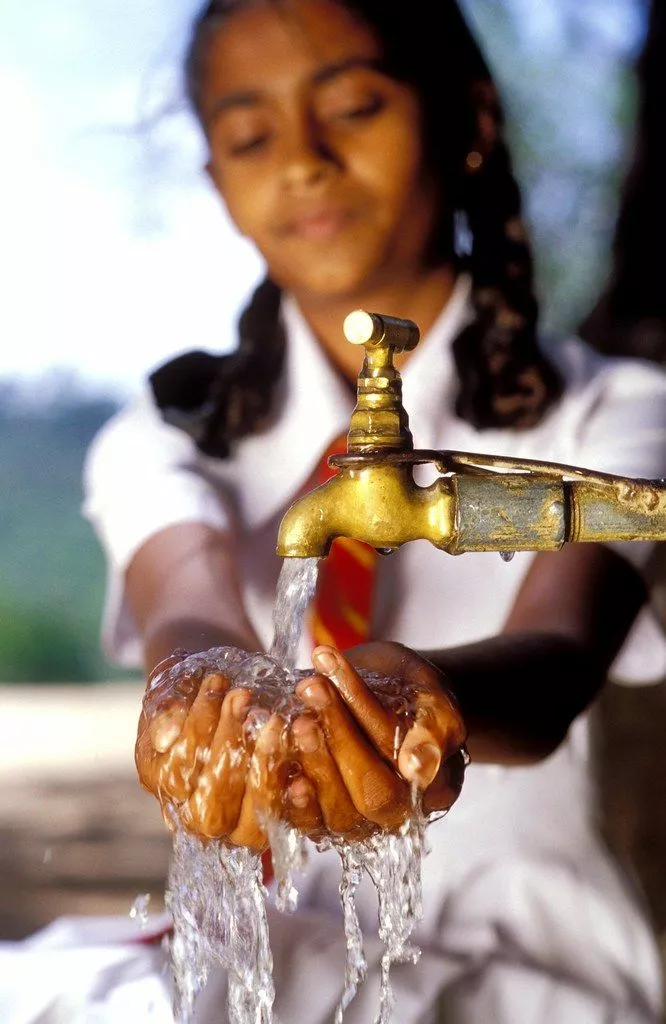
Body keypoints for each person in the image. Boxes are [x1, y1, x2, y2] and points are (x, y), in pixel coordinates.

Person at [78, 0, 666, 1021]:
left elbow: (559, 653)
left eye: (352, 106)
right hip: (262, 951)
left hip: (531, 958)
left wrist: (425, 693)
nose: (302, 161)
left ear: (468, 120)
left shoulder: (617, 412)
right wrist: (197, 685)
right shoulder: (171, 432)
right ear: (219, 182)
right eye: (252, 135)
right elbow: (189, 605)